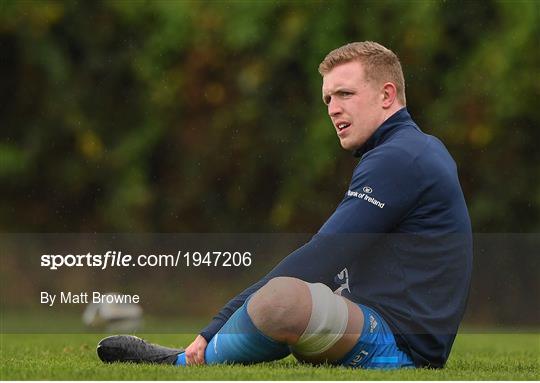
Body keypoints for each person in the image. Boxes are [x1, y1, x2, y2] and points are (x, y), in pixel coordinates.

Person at [97, 41, 472, 369]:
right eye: (327, 98)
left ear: (387, 95)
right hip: (383, 322)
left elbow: (324, 255)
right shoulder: (411, 150)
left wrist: (218, 322)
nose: (332, 108)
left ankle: (184, 360)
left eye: (345, 94)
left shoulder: (400, 157)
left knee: (281, 299)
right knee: (291, 295)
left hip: (401, 346)